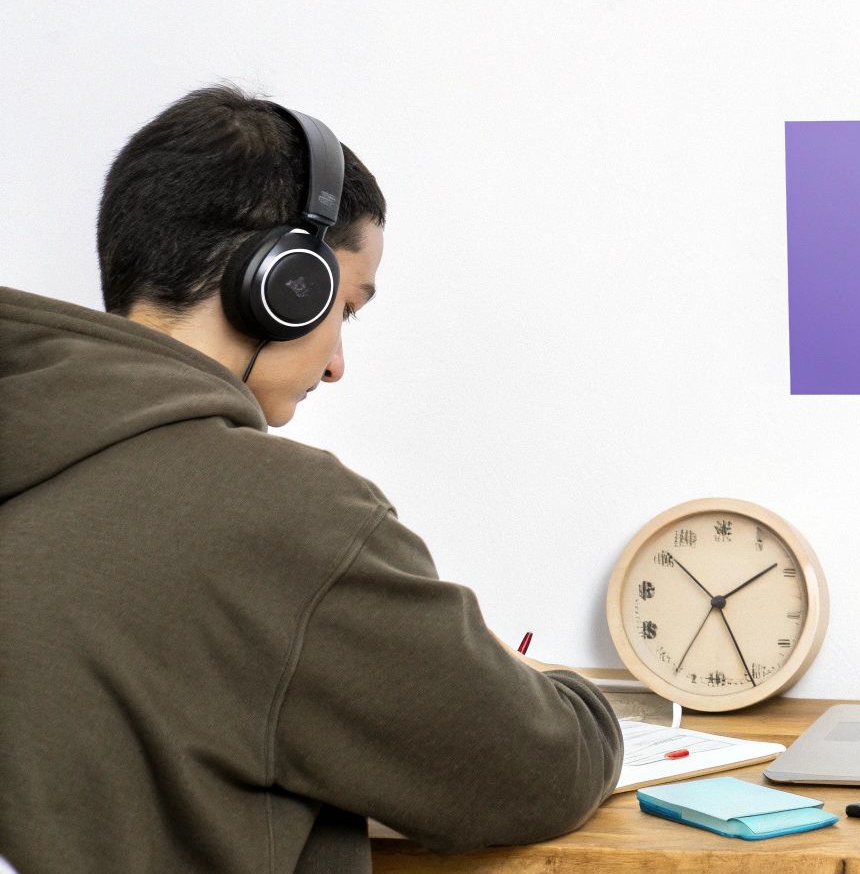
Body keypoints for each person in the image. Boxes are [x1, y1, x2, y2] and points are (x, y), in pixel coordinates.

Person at [0, 86, 624, 873]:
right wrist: (558, 690)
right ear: (283, 284)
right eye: (345, 308)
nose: (335, 363)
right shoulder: (286, 515)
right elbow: (538, 771)